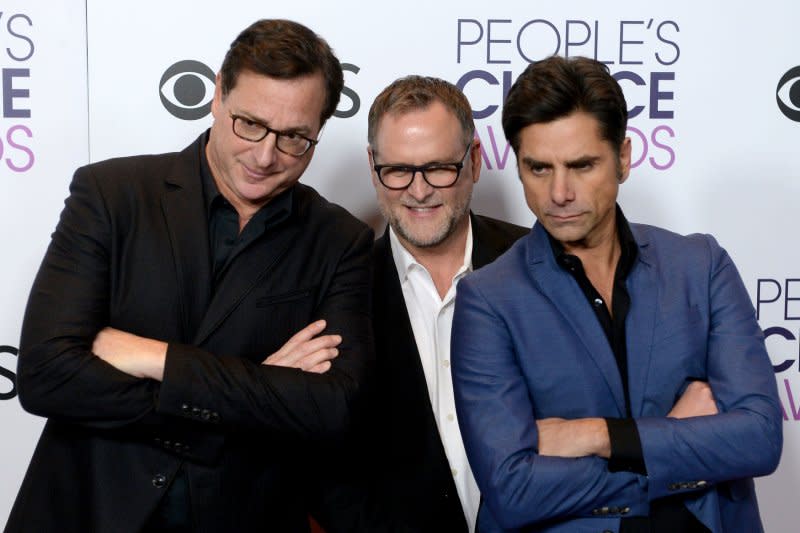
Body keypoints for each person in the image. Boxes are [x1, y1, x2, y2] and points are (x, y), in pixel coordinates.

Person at [8, 19, 373, 533]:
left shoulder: (340, 239)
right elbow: (46, 376)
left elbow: (332, 409)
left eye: (294, 138)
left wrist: (154, 357)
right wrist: (261, 387)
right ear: (217, 94)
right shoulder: (112, 195)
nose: (265, 156)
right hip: (87, 509)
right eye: (249, 123)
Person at [451, 55, 782, 533]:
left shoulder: (700, 266)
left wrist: (594, 435)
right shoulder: (489, 299)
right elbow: (514, 488)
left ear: (623, 158)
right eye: (538, 168)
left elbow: (759, 438)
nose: (559, 192)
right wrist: (681, 447)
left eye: (582, 165)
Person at [314, 76, 527, 533]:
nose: (419, 190)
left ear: (473, 161)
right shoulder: (339, 291)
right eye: (398, 170)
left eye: (438, 168)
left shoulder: (536, 265)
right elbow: (327, 462)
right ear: (374, 168)